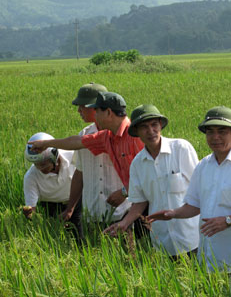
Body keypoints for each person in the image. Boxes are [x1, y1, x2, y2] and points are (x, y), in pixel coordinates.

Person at [148, 106, 231, 272]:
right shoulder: (203, 165)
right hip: (209, 258)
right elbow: (195, 205)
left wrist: (227, 221)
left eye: (222, 131)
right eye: (210, 132)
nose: (215, 137)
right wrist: (173, 213)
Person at [28, 92, 147, 236]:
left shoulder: (136, 135)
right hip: (128, 207)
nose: (94, 115)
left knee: (152, 249)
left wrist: (124, 192)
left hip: (148, 205)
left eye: (97, 111)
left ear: (108, 112)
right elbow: (77, 142)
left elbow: (148, 173)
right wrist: (46, 144)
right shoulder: (107, 137)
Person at [104, 104, 199, 258]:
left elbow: (200, 189)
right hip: (162, 241)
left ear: (160, 125)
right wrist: (124, 222)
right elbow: (140, 201)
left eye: (154, 125)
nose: (150, 131)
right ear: (136, 132)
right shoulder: (137, 164)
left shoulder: (181, 149)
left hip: (192, 236)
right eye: (144, 127)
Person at [61, 83, 131, 226]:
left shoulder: (127, 135)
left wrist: (124, 193)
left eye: (83, 106)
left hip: (122, 212)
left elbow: (140, 173)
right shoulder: (84, 135)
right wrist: (71, 207)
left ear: (97, 107)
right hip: (92, 214)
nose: (79, 111)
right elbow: (79, 173)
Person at [23, 132, 83, 239]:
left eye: (44, 164)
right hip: (50, 206)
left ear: (54, 157)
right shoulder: (30, 177)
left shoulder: (72, 156)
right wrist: (30, 214)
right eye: (36, 165)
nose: (40, 168)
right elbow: (31, 208)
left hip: (75, 200)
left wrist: (70, 209)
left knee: (78, 235)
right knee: (53, 236)